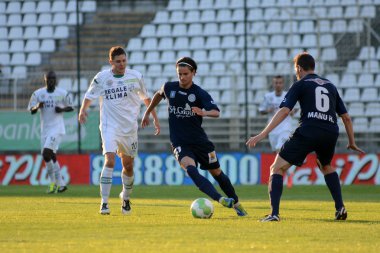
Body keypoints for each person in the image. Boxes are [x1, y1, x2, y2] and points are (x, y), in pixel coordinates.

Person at [246, 52, 364, 222]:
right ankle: (340, 208)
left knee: (276, 168)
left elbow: (285, 110)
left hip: (309, 129)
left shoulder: (300, 84)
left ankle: (274, 214)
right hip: (331, 130)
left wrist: (263, 133)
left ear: (299, 68)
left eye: (296, 70)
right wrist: (352, 142)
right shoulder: (330, 85)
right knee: (326, 166)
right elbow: (346, 117)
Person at [141, 57, 248, 216]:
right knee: (191, 170)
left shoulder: (199, 93)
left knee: (217, 173)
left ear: (193, 73)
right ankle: (220, 199)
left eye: (185, 74)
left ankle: (237, 203)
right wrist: (148, 112)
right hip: (180, 142)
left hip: (200, 142)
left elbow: (216, 112)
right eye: (179, 74)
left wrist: (203, 112)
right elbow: (158, 94)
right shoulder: (170, 87)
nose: (182, 77)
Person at [78, 46, 160, 215]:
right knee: (109, 160)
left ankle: (126, 198)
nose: (122, 64)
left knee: (128, 166)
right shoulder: (102, 78)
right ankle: (104, 203)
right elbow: (89, 95)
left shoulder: (135, 77)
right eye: (118, 61)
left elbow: (146, 98)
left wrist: (154, 118)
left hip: (129, 128)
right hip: (109, 126)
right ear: (111, 62)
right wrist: (82, 109)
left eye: (124, 60)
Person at [27, 70, 73, 193]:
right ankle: (59, 184)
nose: (51, 81)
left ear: (55, 80)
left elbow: (71, 107)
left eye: (53, 79)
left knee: (46, 153)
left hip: (57, 129)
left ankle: (54, 182)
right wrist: (37, 107)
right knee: (49, 156)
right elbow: (31, 110)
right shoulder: (38, 94)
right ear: (45, 80)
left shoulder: (62, 93)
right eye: (49, 79)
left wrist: (62, 109)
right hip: (45, 130)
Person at [259, 75, 296, 152]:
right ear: (273, 84)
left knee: (280, 149)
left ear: (283, 84)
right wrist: (267, 111)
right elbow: (261, 110)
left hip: (285, 127)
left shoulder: (288, 95)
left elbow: (295, 108)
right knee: (275, 151)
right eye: (276, 83)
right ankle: (291, 162)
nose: (278, 85)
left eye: (280, 83)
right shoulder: (268, 96)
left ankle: (292, 161)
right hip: (273, 128)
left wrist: (292, 111)